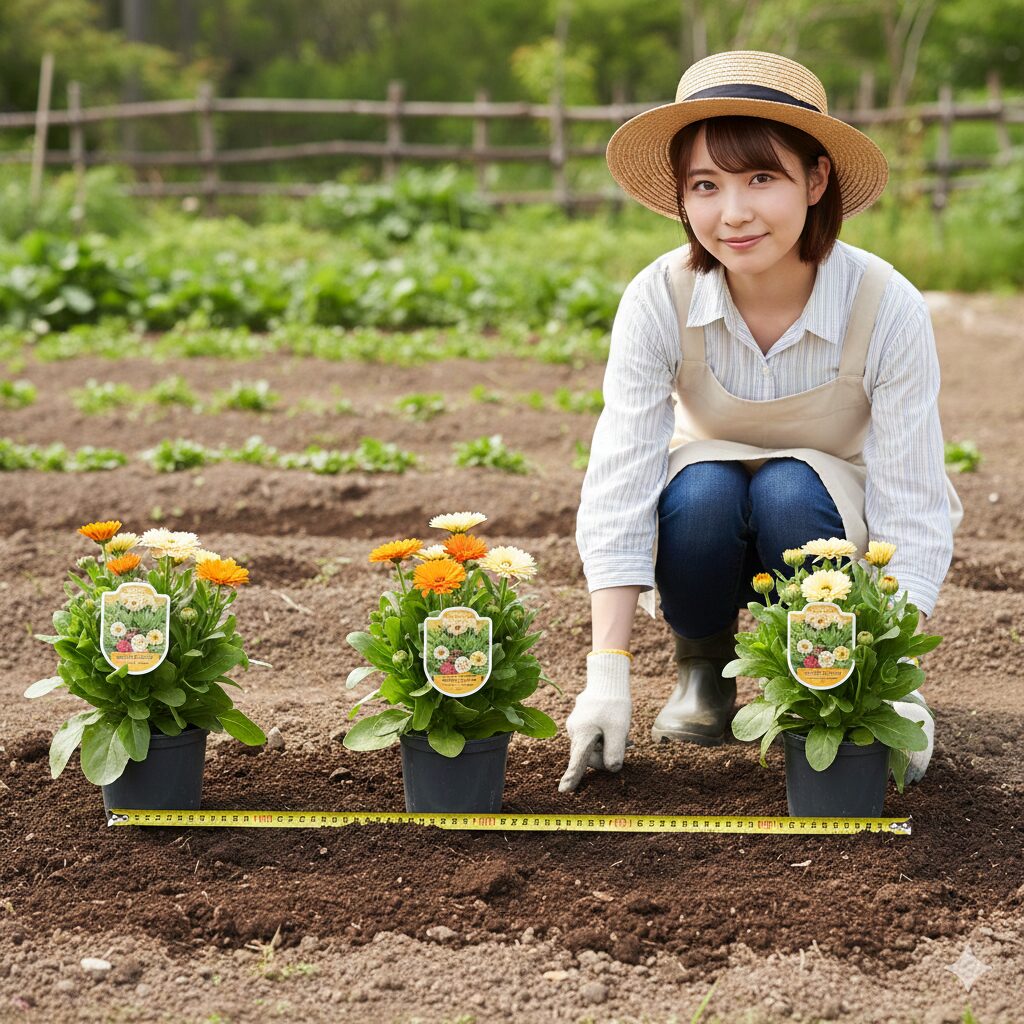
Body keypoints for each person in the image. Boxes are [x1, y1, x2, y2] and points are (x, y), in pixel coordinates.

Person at [558, 50, 964, 794]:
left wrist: (897, 679)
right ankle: (703, 672)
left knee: (786, 486)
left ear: (816, 180)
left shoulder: (884, 304)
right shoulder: (660, 298)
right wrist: (606, 672)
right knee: (704, 488)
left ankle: (825, 671)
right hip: (698, 508)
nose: (732, 213)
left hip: (827, 513)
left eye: (761, 178)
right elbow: (620, 476)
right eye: (705, 185)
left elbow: (913, 495)